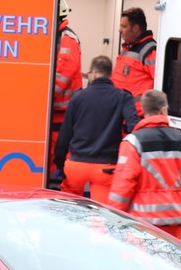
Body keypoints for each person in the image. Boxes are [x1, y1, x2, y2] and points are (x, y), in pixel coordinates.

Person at [109, 89, 181, 239]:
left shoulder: (132, 143)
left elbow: (123, 185)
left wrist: (113, 218)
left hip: (143, 224)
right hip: (175, 222)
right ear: (163, 109)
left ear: (144, 110)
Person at [53, 55, 139, 205]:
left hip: (77, 166)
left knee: (68, 212)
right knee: (102, 215)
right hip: (106, 168)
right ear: (110, 74)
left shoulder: (78, 97)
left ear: (93, 73)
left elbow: (65, 134)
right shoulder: (122, 97)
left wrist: (60, 163)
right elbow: (134, 127)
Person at [50, 0, 83, 175]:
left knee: (57, 159)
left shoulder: (67, 39)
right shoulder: (57, 36)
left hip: (61, 112)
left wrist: (44, 100)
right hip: (55, 111)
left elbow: (62, 76)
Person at [111, 7, 157, 115]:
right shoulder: (128, 48)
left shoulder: (150, 52)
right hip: (122, 114)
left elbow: (160, 86)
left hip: (137, 116)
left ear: (136, 28)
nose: (119, 30)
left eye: (124, 26)